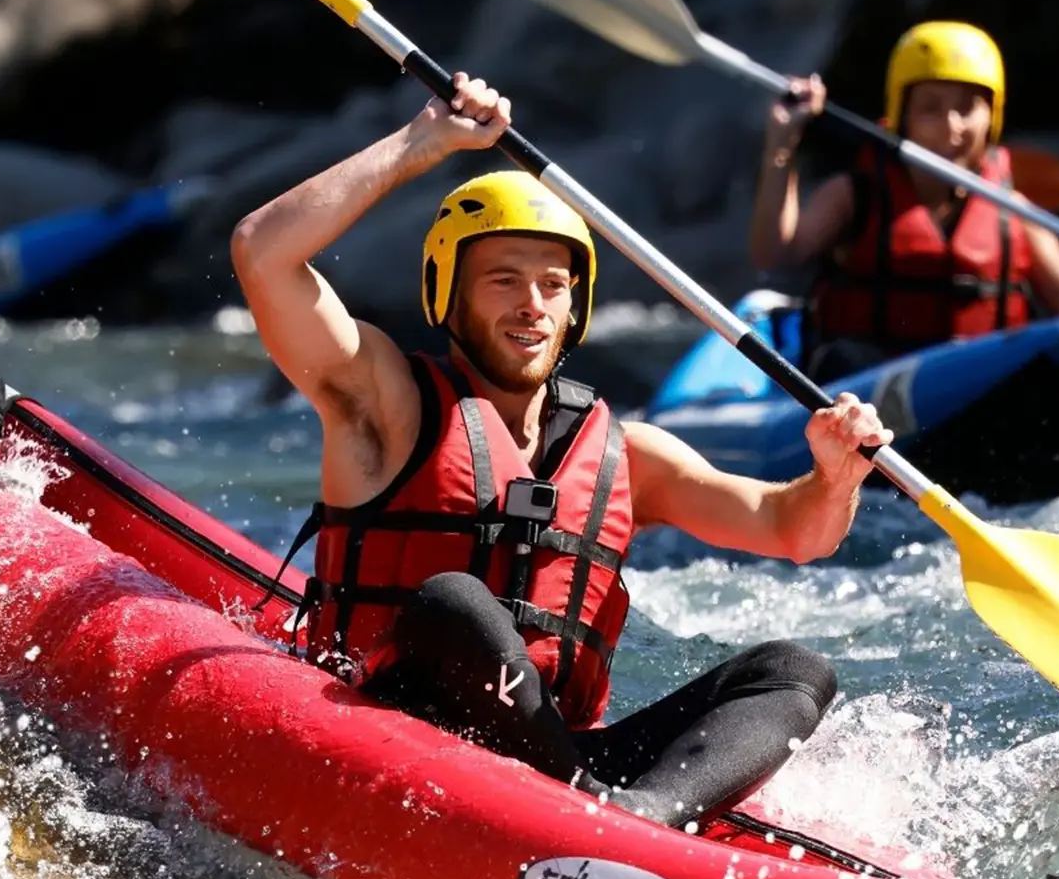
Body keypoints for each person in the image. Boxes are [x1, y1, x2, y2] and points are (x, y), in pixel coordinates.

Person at [233, 72, 891, 829]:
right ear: (446, 291)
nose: (531, 306)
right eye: (503, 281)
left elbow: (794, 529)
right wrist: (425, 143)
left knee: (794, 672)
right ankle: (594, 812)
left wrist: (835, 476)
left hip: (566, 765)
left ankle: (645, 821)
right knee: (454, 603)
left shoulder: (630, 455)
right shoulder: (386, 402)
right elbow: (263, 253)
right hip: (390, 727)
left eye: (553, 285)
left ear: (576, 308)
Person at [747, 21, 1059, 383]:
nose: (952, 126)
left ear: (990, 115)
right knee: (845, 359)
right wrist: (782, 147)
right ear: (902, 115)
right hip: (867, 390)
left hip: (977, 395)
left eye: (967, 107)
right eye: (931, 108)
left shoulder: (1015, 214)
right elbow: (776, 254)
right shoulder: (857, 194)